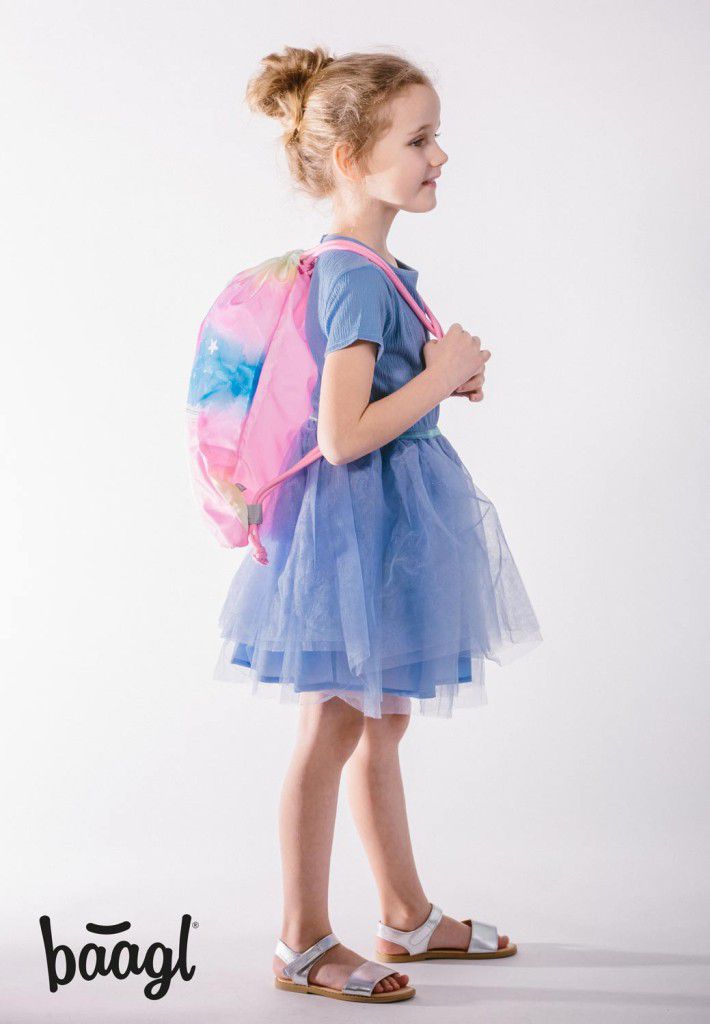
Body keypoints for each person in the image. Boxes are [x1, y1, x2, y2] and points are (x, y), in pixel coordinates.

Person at [212, 45, 543, 1004]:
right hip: (358, 526)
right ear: (352, 159)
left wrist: (436, 380)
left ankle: (404, 915)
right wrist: (440, 378)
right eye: (420, 140)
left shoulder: (379, 269)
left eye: (436, 136)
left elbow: (377, 402)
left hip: (387, 524)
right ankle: (302, 941)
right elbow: (343, 435)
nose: (440, 156)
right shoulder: (354, 275)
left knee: (382, 720)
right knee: (334, 725)